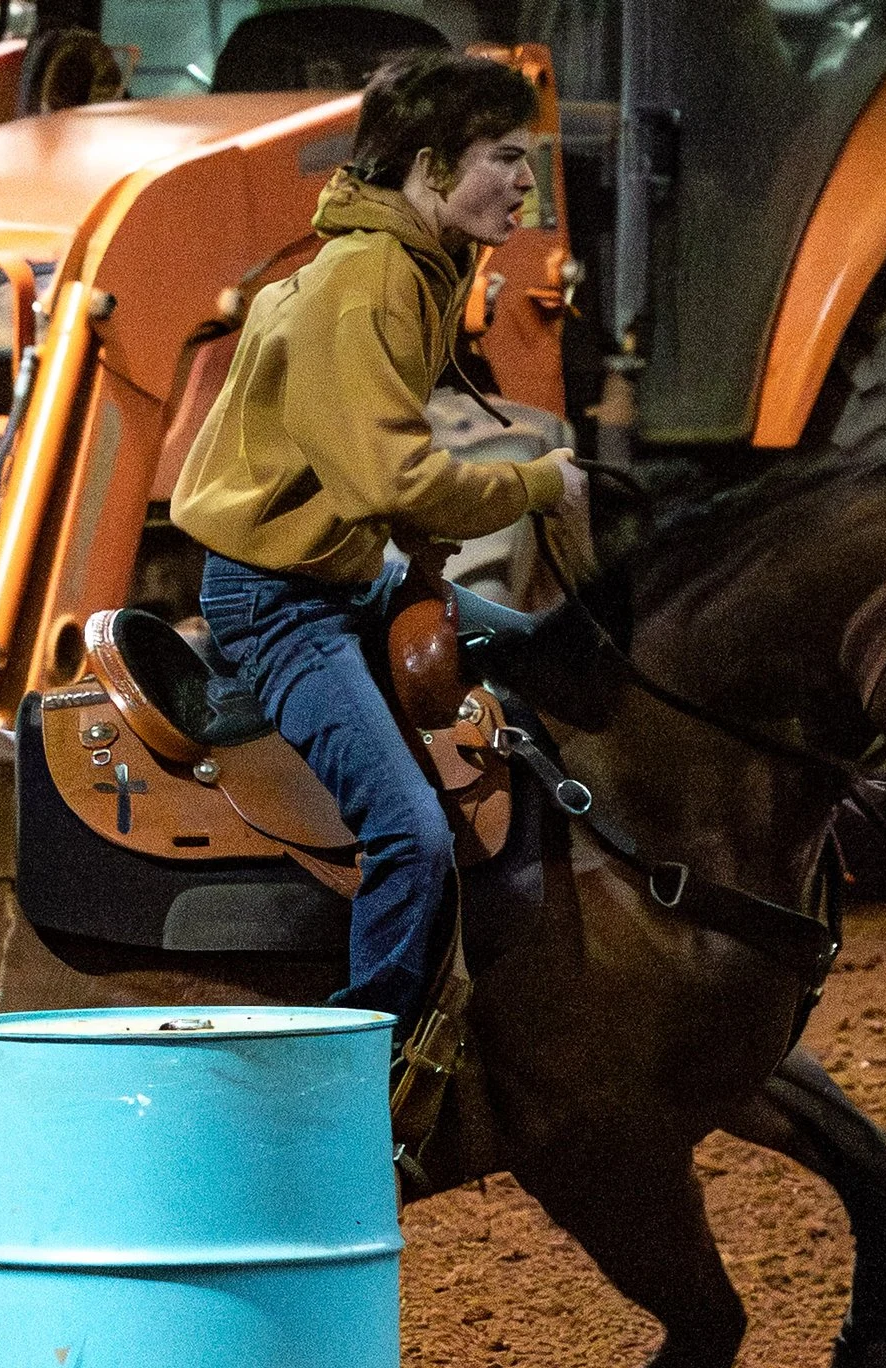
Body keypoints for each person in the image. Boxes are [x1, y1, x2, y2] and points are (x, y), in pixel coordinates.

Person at [172, 48, 588, 1042]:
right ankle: (372, 1063)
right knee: (406, 829)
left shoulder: (418, 263)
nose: (525, 183)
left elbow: (374, 469)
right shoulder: (366, 286)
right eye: (503, 157)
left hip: (347, 571)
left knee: (546, 651)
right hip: (279, 597)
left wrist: (425, 559)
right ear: (435, 166)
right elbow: (392, 479)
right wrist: (537, 480)